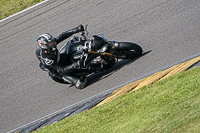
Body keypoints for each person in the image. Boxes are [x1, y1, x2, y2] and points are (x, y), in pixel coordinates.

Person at [35, 25, 87, 89]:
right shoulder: (48, 59)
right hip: (60, 72)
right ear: (44, 46)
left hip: (60, 58)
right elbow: (62, 70)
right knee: (80, 84)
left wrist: (75, 30)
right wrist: (77, 64)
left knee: (72, 41)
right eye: (50, 43)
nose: (53, 44)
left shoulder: (51, 44)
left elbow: (62, 35)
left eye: (52, 41)